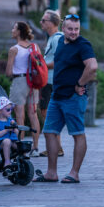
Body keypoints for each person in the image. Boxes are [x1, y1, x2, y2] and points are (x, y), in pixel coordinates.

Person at [37, 14, 98, 184]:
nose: (73, 32)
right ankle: (51, 173)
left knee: (77, 134)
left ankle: (74, 173)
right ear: (63, 28)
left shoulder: (83, 44)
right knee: (49, 132)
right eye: (70, 29)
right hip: (57, 95)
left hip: (73, 97)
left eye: (76, 29)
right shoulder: (61, 44)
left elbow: (92, 66)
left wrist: (80, 84)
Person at [6, 21, 41, 156]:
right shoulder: (35, 47)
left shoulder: (14, 49)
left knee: (20, 115)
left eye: (14, 28)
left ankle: (21, 146)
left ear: (19, 31)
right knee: (33, 114)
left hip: (20, 81)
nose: (12, 30)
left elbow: (9, 72)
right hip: (33, 82)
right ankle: (36, 147)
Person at [38, 10, 64, 158]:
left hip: (51, 82)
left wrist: (40, 66)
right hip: (48, 81)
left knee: (48, 113)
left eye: (43, 20)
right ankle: (56, 146)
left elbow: (59, 61)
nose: (41, 22)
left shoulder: (56, 39)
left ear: (51, 23)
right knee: (46, 113)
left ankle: (56, 147)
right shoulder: (52, 38)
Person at [0, 96, 19, 175]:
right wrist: (6, 130)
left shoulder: (9, 120)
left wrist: (15, 129)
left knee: (20, 145)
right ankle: (7, 161)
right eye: (8, 109)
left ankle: (21, 160)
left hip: (11, 140)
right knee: (7, 141)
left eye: (11, 109)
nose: (10, 111)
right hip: (0, 142)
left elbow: (16, 134)